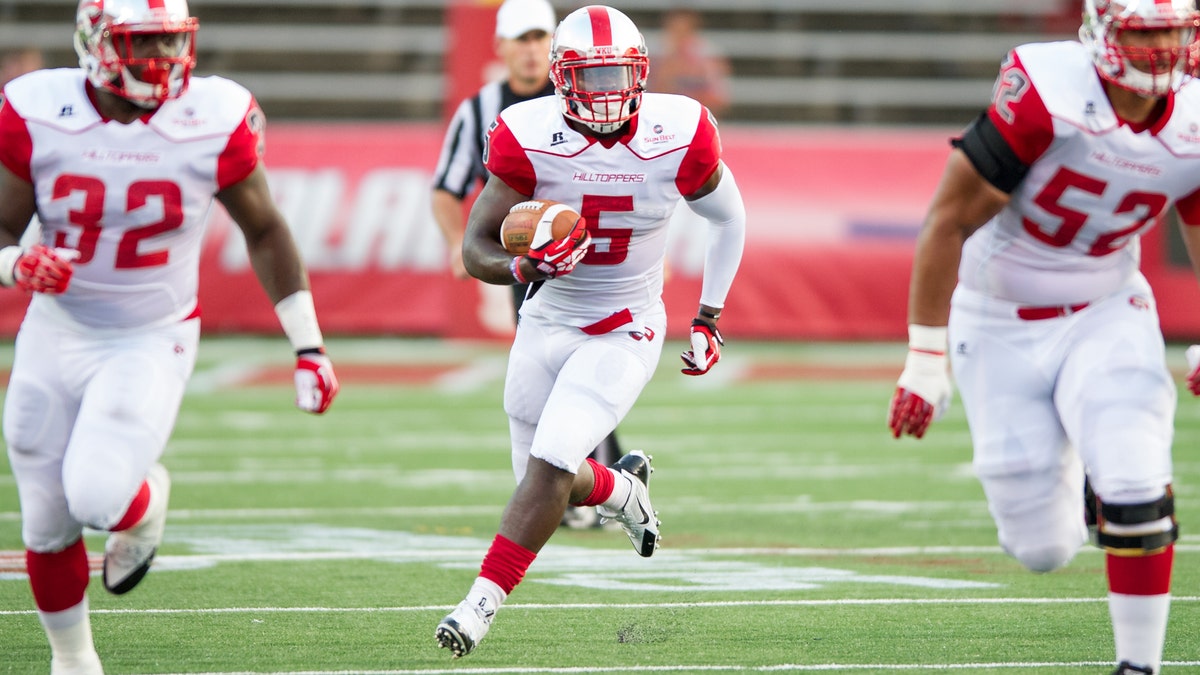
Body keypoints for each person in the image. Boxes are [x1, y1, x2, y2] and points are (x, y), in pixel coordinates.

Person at [0, 1, 340, 673]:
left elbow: (265, 228)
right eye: (143, 40)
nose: (162, 56)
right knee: (44, 517)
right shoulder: (36, 110)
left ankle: (144, 498)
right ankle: (74, 662)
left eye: (171, 39)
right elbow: (2, 227)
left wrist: (309, 343)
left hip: (150, 335)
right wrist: (15, 263)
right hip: (56, 328)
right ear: (94, 43)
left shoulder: (212, 116)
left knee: (95, 496)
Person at [887, 1, 1199, 673]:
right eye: (1146, 32)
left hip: (1107, 306)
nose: (1163, 48)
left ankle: (1138, 665)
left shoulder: (1195, 113)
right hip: (996, 318)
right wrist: (924, 355)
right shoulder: (1048, 94)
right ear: (1105, 34)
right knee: (1042, 547)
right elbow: (947, 221)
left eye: (1174, 30)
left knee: (1138, 476)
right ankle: (1087, 479)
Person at [434, 4, 745, 658]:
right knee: (544, 477)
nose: (605, 94)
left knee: (549, 468)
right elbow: (475, 245)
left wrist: (709, 315)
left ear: (640, 73)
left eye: (615, 76)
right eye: (589, 77)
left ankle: (478, 604)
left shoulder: (678, 128)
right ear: (560, 78)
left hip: (627, 323)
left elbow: (730, 218)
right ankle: (623, 489)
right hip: (546, 315)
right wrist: (522, 263)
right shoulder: (527, 130)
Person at [430, 0, 626, 530]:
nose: (531, 49)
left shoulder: (587, 92)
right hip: (530, 258)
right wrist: (459, 241)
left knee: (586, 366)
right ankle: (585, 484)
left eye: (540, 37)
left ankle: (596, 483)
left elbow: (633, 176)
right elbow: (446, 189)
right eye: (521, 39)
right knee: (548, 370)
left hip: (601, 255)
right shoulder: (481, 110)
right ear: (500, 48)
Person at [651, 8, 730, 117]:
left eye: (684, 30)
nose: (679, 36)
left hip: (698, 119)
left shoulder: (708, 55)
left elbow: (719, 99)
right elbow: (649, 98)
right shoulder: (655, 53)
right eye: (675, 30)